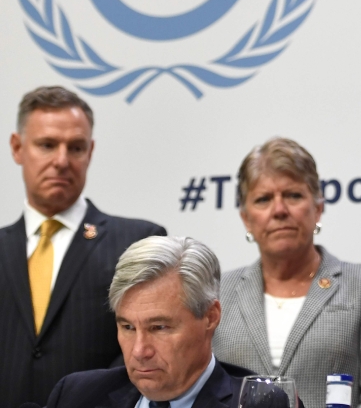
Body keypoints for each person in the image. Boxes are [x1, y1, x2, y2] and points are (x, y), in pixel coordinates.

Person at [0, 86, 166, 407]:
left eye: (75, 148)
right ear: (18, 148)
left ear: (90, 152)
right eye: (47, 145)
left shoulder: (136, 241)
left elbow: (144, 347)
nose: (61, 161)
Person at [213, 137, 361, 408]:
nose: (279, 210)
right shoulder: (219, 291)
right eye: (263, 199)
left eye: (293, 195)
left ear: (317, 207)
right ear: (246, 218)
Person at [43, 235, 273, 408]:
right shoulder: (76, 396)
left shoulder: (259, 402)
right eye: (128, 327)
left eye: (159, 328)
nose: (140, 351)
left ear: (210, 317)